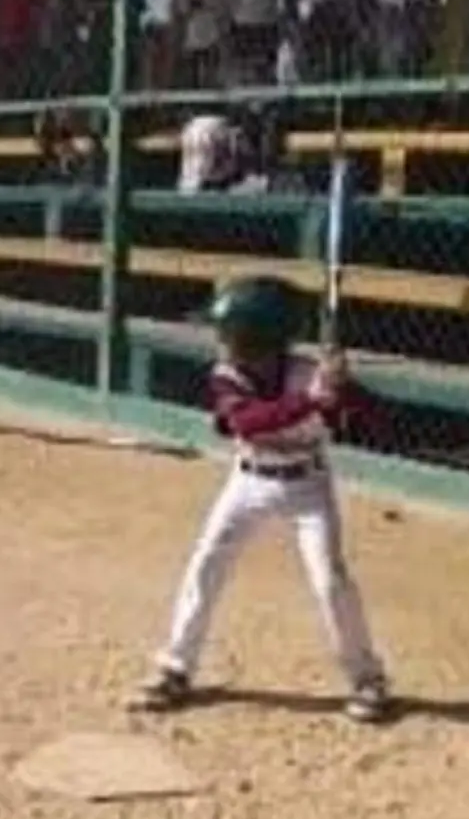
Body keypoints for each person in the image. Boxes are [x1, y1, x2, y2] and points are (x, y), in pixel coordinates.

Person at [129, 276, 393, 724]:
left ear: (256, 338)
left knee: (330, 581)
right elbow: (248, 424)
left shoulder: (311, 373)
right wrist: (309, 400)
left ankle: (367, 678)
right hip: (247, 483)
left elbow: (376, 419)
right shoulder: (225, 377)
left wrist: (343, 389)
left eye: (228, 334)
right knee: (207, 563)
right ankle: (176, 667)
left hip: (308, 488)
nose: (221, 342)